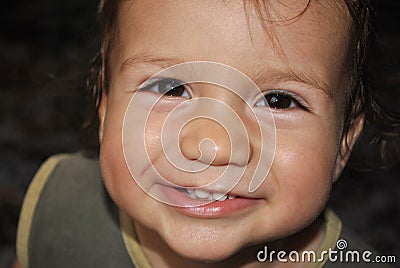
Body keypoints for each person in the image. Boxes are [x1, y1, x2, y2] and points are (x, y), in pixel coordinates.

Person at [15, 0, 399, 267]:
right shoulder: (59, 206)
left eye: (278, 100)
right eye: (171, 89)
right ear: (105, 104)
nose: (212, 146)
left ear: (345, 140)